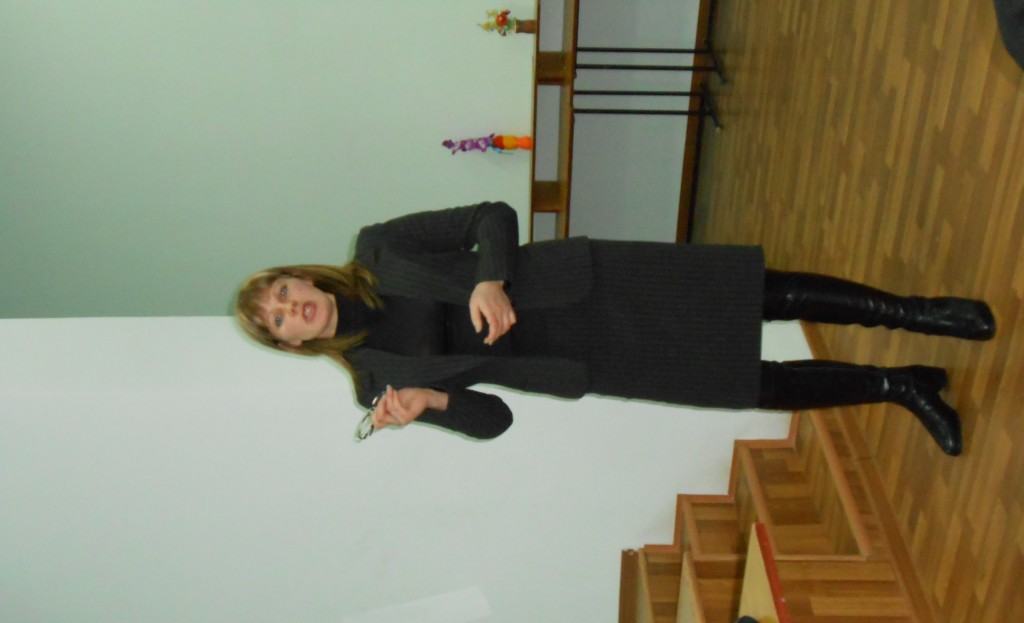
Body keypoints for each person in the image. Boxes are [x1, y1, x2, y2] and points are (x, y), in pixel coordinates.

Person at [235, 202, 995, 455]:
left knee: (762, 295)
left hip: (587, 283)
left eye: (282, 292)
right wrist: (431, 404)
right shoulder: (375, 384)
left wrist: (489, 277)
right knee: (754, 385)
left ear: (301, 278)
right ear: (292, 345)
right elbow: (493, 420)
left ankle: (920, 314)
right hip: (580, 357)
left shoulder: (379, 249)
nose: (290, 308)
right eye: (278, 321)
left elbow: (489, 217)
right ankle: (901, 386)